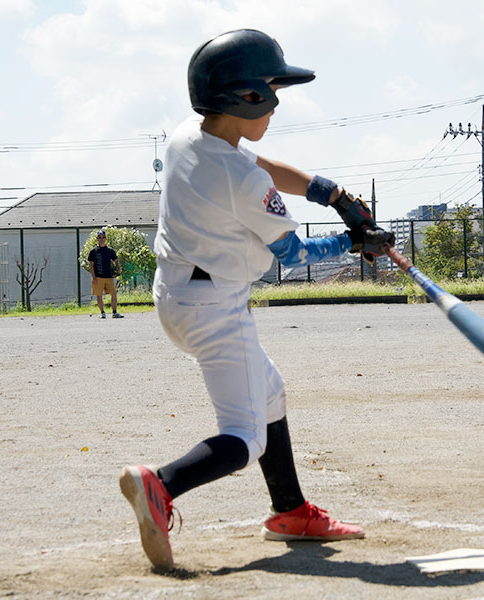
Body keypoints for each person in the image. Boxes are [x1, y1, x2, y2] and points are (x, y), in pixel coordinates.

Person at [118, 29, 394, 570]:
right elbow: (293, 254)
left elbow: (260, 166)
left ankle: (290, 511)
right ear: (247, 97)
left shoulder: (185, 139)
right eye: (270, 88)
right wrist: (355, 241)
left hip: (176, 297)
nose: (277, 99)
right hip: (216, 310)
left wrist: (332, 194)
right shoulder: (242, 179)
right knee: (245, 437)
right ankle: (161, 485)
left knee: (270, 393)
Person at [88, 228, 123, 319]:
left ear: (105, 238)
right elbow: (91, 265)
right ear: (97, 239)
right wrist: (94, 277)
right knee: (99, 296)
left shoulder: (109, 250)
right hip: (98, 277)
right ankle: (102, 313)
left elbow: (116, 260)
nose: (101, 239)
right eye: (99, 237)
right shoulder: (94, 251)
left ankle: (114, 312)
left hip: (109, 277)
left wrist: (119, 269)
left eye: (103, 237)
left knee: (114, 294)